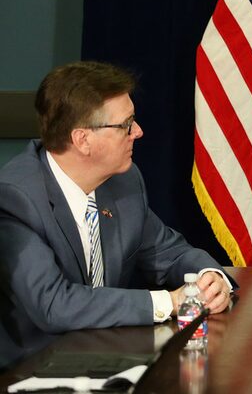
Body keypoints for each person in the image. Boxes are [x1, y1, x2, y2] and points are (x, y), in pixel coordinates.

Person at [0, 61, 234, 369]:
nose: (138, 131)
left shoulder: (123, 180)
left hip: (108, 357)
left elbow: (169, 253)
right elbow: (54, 304)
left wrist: (209, 278)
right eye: (126, 124)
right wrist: (170, 302)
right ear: (83, 140)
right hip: (32, 369)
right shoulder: (17, 197)